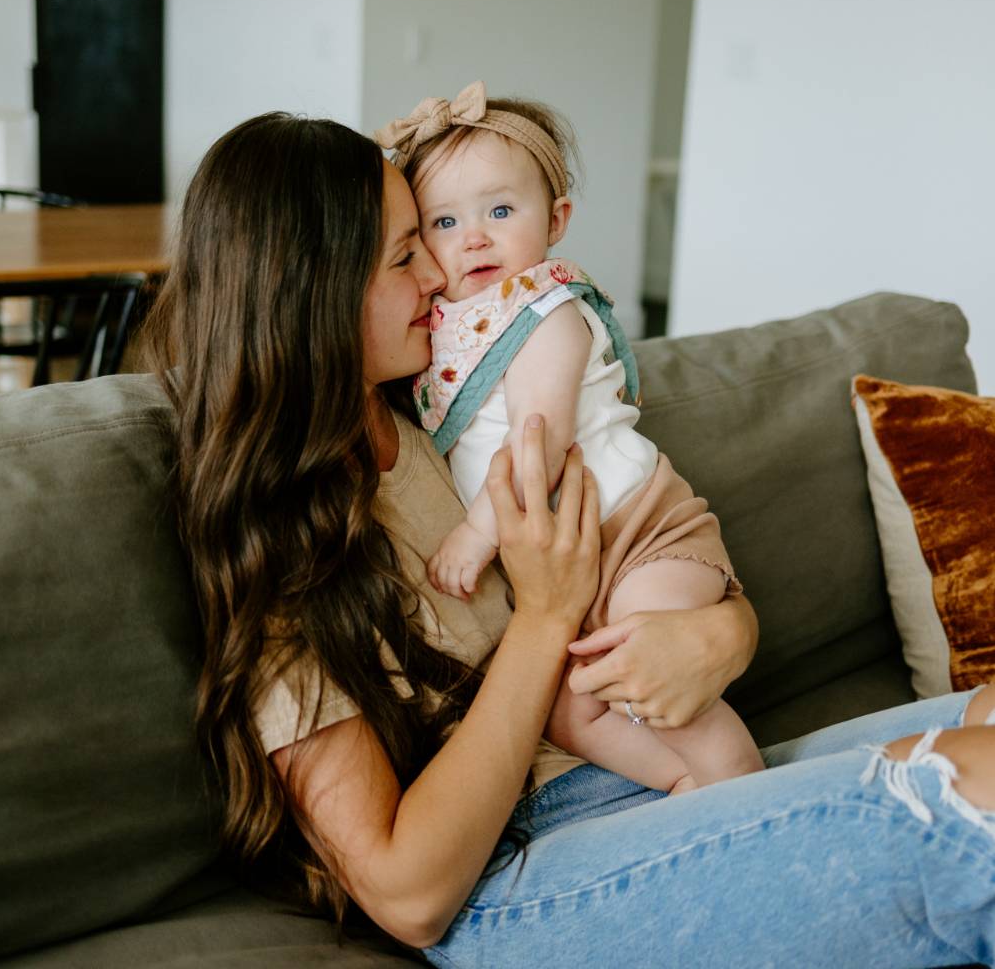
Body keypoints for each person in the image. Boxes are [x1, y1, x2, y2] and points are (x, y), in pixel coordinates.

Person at [139, 110, 995, 969]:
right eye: (407, 255)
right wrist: (545, 619)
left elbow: (649, 549)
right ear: (311, 292)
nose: (443, 274)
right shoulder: (279, 548)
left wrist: (723, 631)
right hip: (526, 867)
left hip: (646, 769)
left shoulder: (436, 412)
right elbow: (408, 896)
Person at [374, 80, 763, 796]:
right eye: (444, 222)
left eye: (499, 210)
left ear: (555, 219)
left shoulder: (548, 311)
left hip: (640, 535)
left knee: (646, 672)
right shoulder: (443, 328)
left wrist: (474, 537)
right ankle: (685, 788)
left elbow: (540, 436)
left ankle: (743, 785)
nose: (475, 237)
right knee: (566, 711)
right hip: (568, 578)